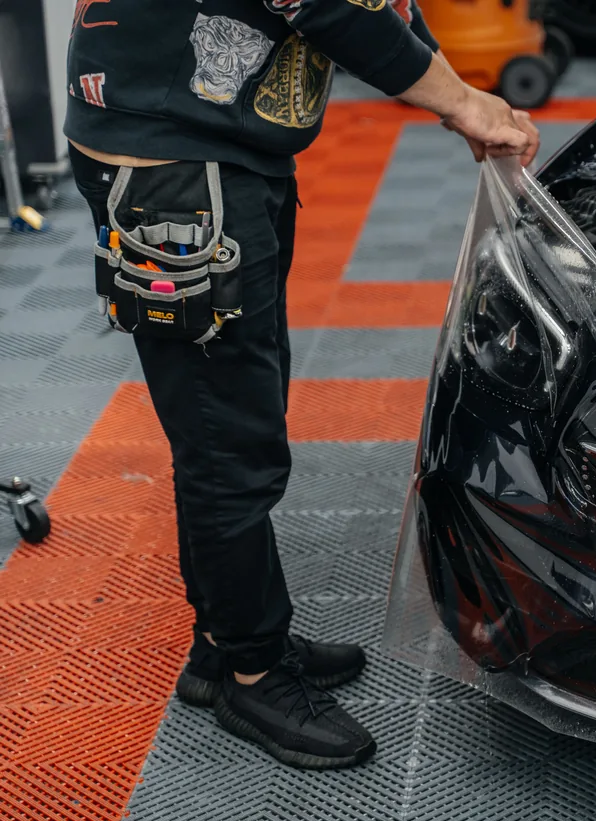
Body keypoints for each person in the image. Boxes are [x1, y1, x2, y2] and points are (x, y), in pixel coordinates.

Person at [66, 0, 539, 770]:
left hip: (217, 146)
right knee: (229, 439)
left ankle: (223, 646)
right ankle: (250, 674)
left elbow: (377, 6)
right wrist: (461, 104)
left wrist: (460, 96)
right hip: (175, 162)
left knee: (232, 416)